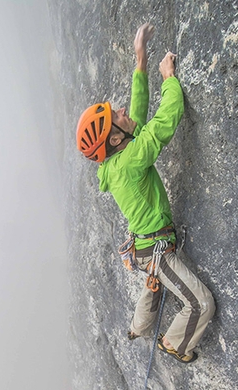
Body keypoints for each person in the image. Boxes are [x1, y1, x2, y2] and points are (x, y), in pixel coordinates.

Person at [76, 24, 215, 363]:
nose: (122, 110)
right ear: (113, 139)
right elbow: (164, 122)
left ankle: (137, 329)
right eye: (115, 116)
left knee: (153, 285)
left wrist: (141, 59)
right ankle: (176, 345)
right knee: (200, 303)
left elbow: (137, 115)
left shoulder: (117, 160)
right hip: (154, 247)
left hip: (144, 245)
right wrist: (169, 77)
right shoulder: (130, 159)